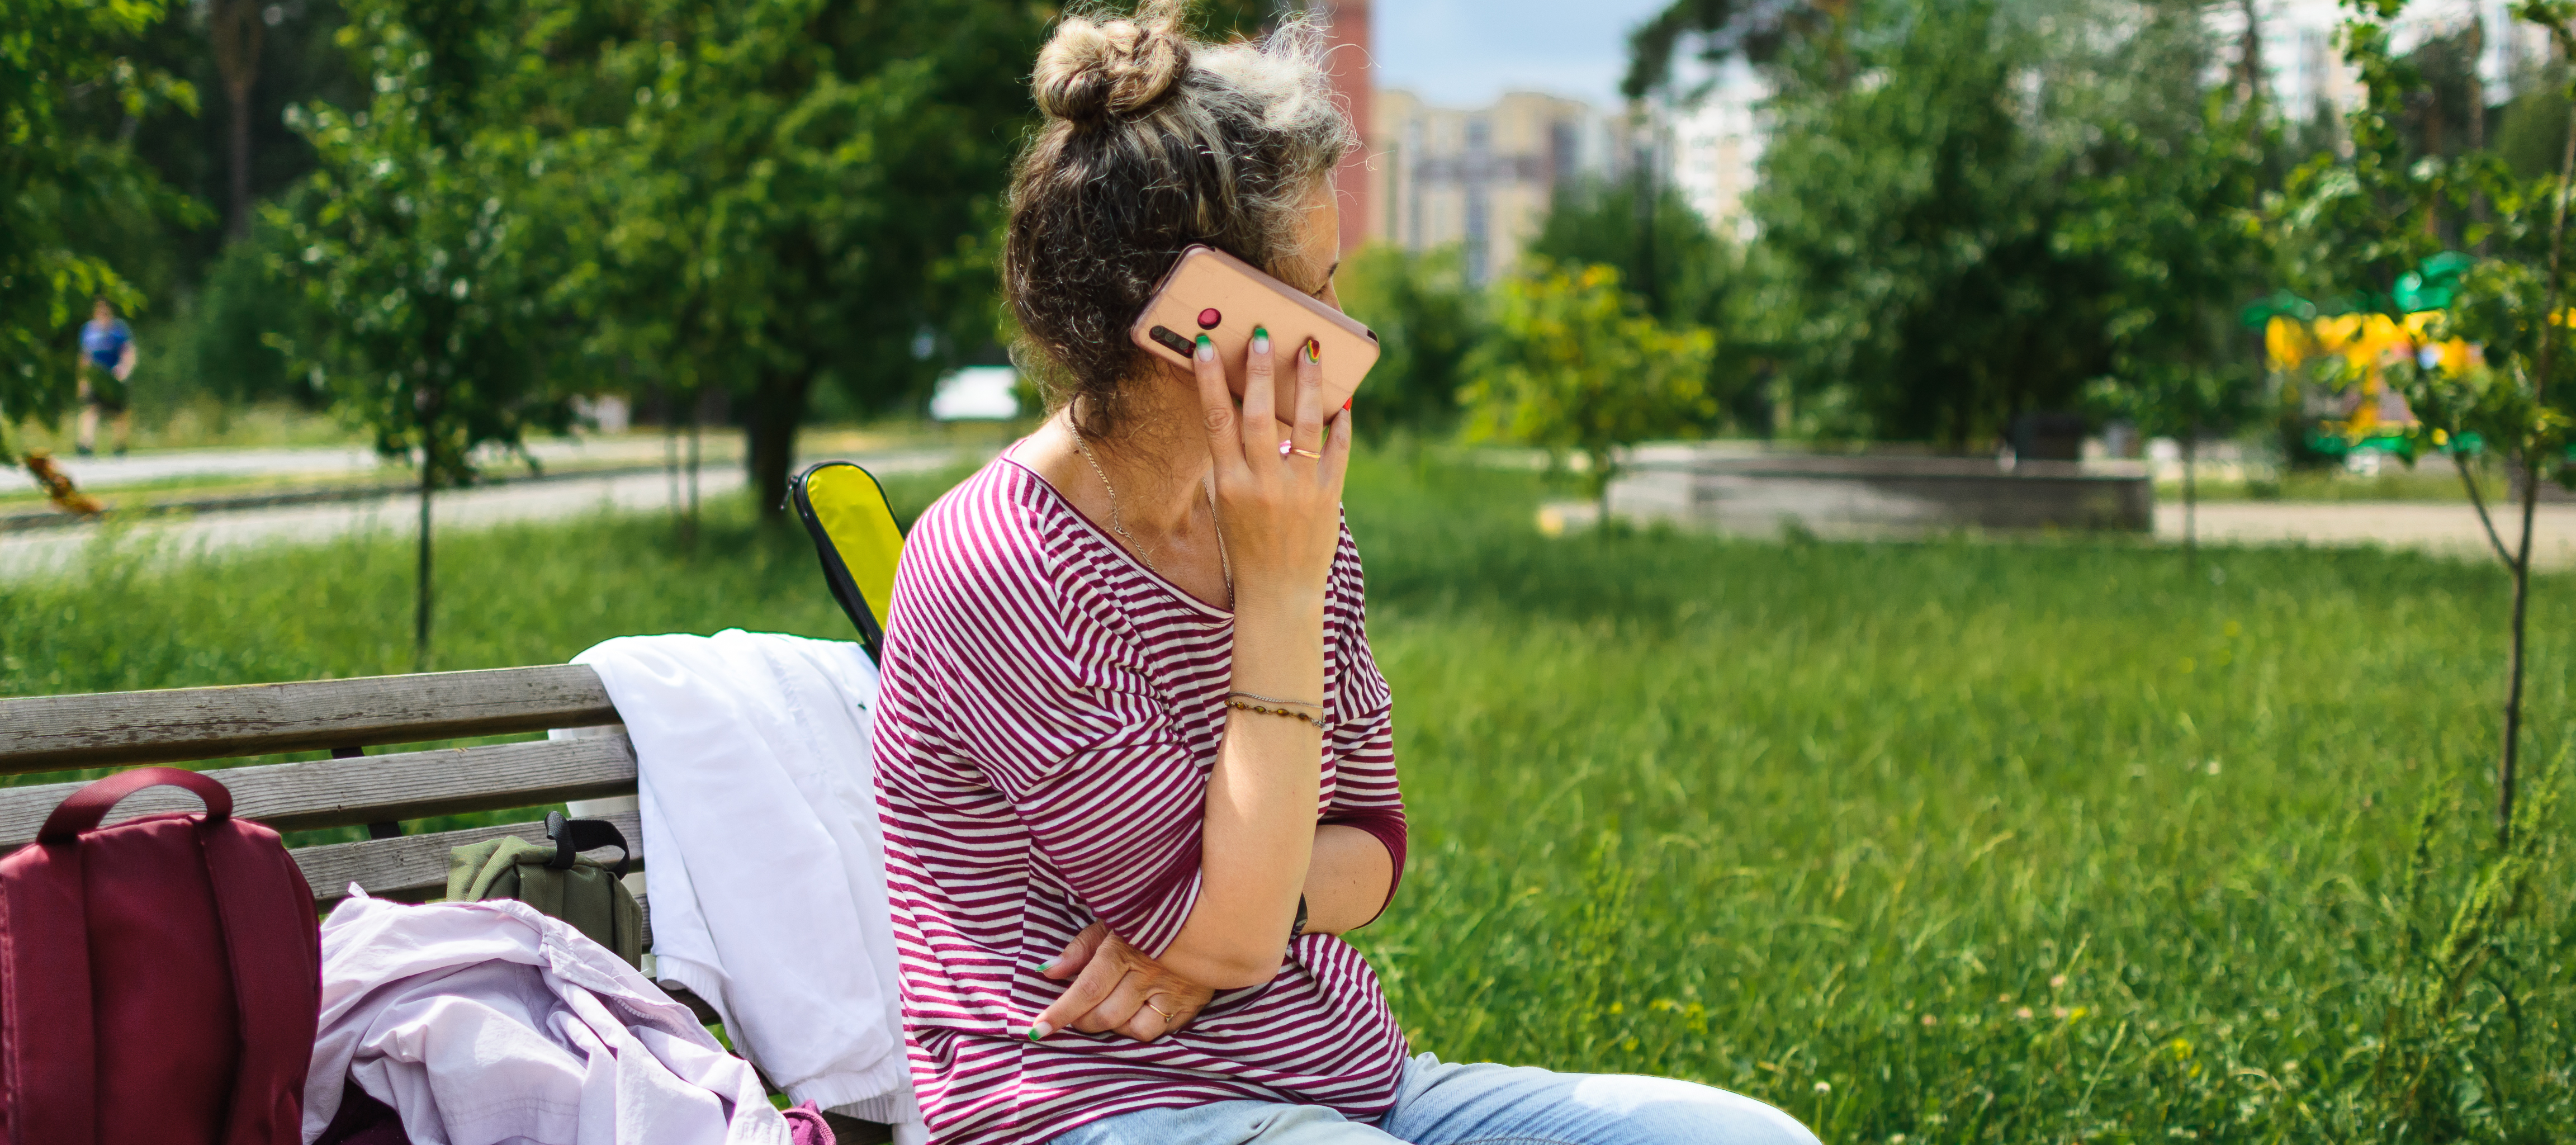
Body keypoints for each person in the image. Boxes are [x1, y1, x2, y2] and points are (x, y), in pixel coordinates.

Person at [864, 5, 1821, 1145]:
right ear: (1190, 315)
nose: (1343, 330)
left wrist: (1245, 905)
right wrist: (1277, 599)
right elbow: (1227, 932)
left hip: (1348, 1090)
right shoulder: (1003, 564)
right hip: (1093, 1107)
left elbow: (1371, 843)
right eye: (1311, 289)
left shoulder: (1292, 515)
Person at [75, 297, 136, 456]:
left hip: (114, 376)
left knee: (119, 412)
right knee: (91, 409)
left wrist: (124, 369)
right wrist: (83, 380)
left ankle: (119, 446)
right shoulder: (88, 331)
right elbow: (85, 357)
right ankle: (86, 444)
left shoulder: (119, 330)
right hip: (96, 377)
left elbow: (128, 351)